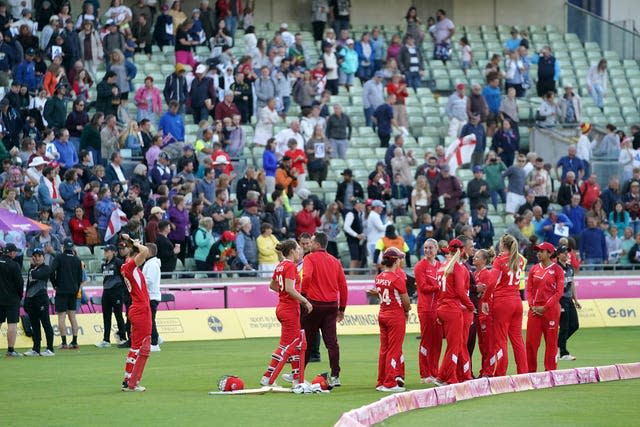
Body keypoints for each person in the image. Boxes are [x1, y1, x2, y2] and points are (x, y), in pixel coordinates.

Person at [260, 239, 313, 387]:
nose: (300, 251)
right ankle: (268, 376)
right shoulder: (290, 266)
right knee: (287, 345)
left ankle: (297, 378)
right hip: (289, 309)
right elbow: (290, 289)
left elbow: (272, 285)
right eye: (298, 249)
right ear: (291, 251)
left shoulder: (280, 266)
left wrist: (284, 293)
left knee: (294, 344)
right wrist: (305, 301)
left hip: (282, 307)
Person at [301, 231, 348, 387]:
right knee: (332, 343)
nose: (310, 244)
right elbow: (343, 286)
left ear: (317, 244)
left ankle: (299, 375)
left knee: (306, 340)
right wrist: (342, 308)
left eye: (312, 242)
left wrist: (302, 296)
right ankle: (336, 375)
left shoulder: (309, 258)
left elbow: (306, 277)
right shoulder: (335, 261)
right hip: (331, 306)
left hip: (314, 305)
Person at [486, 234, 528, 376]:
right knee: (517, 340)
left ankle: (500, 374)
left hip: (503, 302)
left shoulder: (499, 260)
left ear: (502, 245)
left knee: (501, 340)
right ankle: (523, 373)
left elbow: (492, 283)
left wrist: (485, 299)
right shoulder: (519, 259)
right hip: (517, 301)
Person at [434, 239, 474, 386]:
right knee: (455, 346)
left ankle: (441, 376)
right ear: (461, 251)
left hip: (442, 308)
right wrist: (471, 306)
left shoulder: (442, 267)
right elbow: (460, 292)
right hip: (452, 309)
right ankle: (450, 378)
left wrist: (438, 311)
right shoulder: (457, 268)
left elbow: (439, 291)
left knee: (452, 345)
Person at [370, 247, 410, 392]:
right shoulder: (397, 279)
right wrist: (408, 310)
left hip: (383, 314)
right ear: (394, 261)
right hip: (395, 316)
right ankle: (389, 382)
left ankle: (381, 381)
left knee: (384, 350)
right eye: (399, 258)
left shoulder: (379, 277)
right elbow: (406, 301)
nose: (400, 260)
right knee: (394, 349)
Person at [119, 234, 152, 392]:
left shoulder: (126, 268)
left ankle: (128, 380)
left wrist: (132, 243)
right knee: (142, 346)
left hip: (137, 308)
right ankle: (133, 382)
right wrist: (133, 242)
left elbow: (143, 252)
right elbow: (145, 251)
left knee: (136, 346)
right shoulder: (130, 267)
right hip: (141, 309)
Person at [526, 242, 564, 372]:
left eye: (541, 251)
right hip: (535, 311)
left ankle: (550, 372)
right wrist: (532, 305)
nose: (538, 253)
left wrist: (545, 307)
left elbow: (559, 292)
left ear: (549, 253)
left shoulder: (558, 270)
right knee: (531, 343)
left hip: (551, 311)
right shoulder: (534, 269)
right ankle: (530, 373)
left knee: (551, 343)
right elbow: (528, 290)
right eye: (537, 251)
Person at [414, 238, 441, 383]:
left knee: (437, 341)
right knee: (427, 340)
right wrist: (440, 286)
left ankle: (434, 371)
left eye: (430, 248)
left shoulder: (440, 266)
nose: (427, 251)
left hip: (439, 309)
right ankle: (425, 374)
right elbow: (423, 288)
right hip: (426, 308)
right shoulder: (420, 266)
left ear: (436, 249)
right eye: (425, 248)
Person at [49, 239, 83, 350]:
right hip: (73, 291)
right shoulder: (77, 260)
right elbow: (80, 278)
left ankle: (64, 343)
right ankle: (75, 342)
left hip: (62, 290)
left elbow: (51, 271)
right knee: (72, 317)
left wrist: (55, 284)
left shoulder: (59, 257)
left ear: (63, 246)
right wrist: (76, 288)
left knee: (62, 317)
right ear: (72, 247)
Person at [23, 248, 55, 356]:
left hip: (42, 300)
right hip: (31, 301)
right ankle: (36, 349)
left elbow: (39, 275)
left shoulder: (46, 268)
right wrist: (26, 300)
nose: (37, 258)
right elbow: (28, 286)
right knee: (35, 325)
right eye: (35, 256)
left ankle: (50, 349)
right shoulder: (31, 270)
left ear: (43, 257)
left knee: (46, 324)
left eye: (39, 256)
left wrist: (32, 268)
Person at [95, 244, 128, 348]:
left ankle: (123, 338)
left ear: (113, 252)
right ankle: (106, 340)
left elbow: (124, 277)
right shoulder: (104, 264)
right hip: (106, 292)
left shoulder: (118, 262)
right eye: (105, 250)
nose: (105, 252)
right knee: (106, 316)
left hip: (117, 292)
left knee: (118, 315)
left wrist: (122, 290)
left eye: (107, 251)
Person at [555, 245, 581, 361]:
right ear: (558, 255)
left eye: (567, 252)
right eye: (564, 252)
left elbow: (572, 284)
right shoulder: (555, 268)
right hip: (560, 299)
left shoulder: (570, 268)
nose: (566, 254)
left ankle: (556, 344)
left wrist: (575, 299)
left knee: (574, 325)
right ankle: (563, 353)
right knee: (564, 326)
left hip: (569, 300)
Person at [0, 244, 25, 357]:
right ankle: (10, 350)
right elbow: (20, 283)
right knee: (12, 324)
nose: (15, 254)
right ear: (11, 253)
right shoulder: (14, 265)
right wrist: (19, 296)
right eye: (15, 252)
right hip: (12, 299)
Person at [143, 243, 162, 352]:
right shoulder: (151, 263)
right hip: (151, 295)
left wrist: (139, 282)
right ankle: (157, 338)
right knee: (150, 320)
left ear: (149, 252)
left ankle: (154, 343)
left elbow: (149, 280)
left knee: (150, 320)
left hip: (151, 296)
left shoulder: (152, 264)